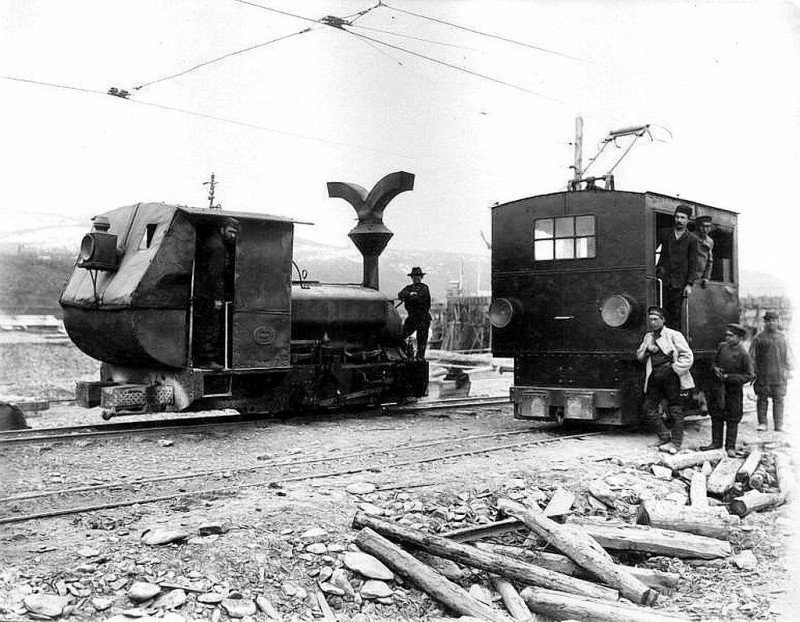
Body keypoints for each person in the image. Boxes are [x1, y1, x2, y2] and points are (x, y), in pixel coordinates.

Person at [636, 306, 695, 454]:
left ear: (663, 320)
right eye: (650, 319)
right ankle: (664, 437)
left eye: (656, 319)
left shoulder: (674, 335)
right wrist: (647, 351)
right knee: (648, 409)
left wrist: (674, 369)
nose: (653, 322)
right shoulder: (648, 337)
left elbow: (688, 356)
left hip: (672, 378)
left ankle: (676, 443)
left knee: (675, 410)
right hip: (655, 377)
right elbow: (639, 356)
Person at [701, 324, 755, 456]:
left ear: (739, 338)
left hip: (733, 391)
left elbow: (749, 375)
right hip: (719, 389)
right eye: (727, 335)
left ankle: (730, 446)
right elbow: (714, 362)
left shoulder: (743, 354)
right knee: (716, 415)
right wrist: (716, 369)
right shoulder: (722, 347)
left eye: (731, 336)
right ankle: (716, 443)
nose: (727, 338)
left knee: (732, 418)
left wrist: (729, 377)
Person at [194, 217, 240, 369]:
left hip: (205, 293)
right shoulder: (217, 247)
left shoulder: (214, 242)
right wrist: (218, 298)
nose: (233, 235)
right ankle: (207, 361)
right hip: (209, 295)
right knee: (211, 327)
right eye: (230, 231)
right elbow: (216, 275)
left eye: (235, 233)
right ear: (222, 229)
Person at [656, 204, 701, 330]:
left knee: (675, 316)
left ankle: (673, 346)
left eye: (682, 217)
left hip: (679, 284)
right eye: (677, 217)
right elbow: (651, 249)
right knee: (659, 314)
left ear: (688, 220)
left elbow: (694, 264)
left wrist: (689, 284)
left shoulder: (692, 239)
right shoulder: (664, 233)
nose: (679, 220)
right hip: (662, 281)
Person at [750, 311, 792, 431]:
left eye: (774, 320)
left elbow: (788, 355)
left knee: (779, 399)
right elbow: (752, 357)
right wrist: (753, 372)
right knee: (762, 399)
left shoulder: (783, 337)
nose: (771, 323)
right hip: (763, 374)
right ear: (765, 322)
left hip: (779, 374)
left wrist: (788, 369)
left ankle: (779, 424)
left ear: (777, 321)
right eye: (769, 321)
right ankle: (762, 423)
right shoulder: (759, 338)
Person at [397, 267, 432, 359]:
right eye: (414, 276)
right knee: (399, 337)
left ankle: (420, 358)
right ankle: (408, 353)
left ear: (421, 277)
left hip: (423, 317)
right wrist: (411, 295)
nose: (416, 278)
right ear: (412, 277)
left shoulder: (424, 288)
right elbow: (400, 295)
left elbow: (420, 299)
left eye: (418, 276)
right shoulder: (409, 288)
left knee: (422, 340)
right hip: (412, 318)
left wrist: (409, 296)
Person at [694, 215, 714, 287]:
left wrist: (706, 278)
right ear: (697, 227)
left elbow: (709, 261)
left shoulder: (710, 241)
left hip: (699, 279)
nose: (705, 230)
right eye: (703, 226)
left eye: (708, 226)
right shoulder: (689, 238)